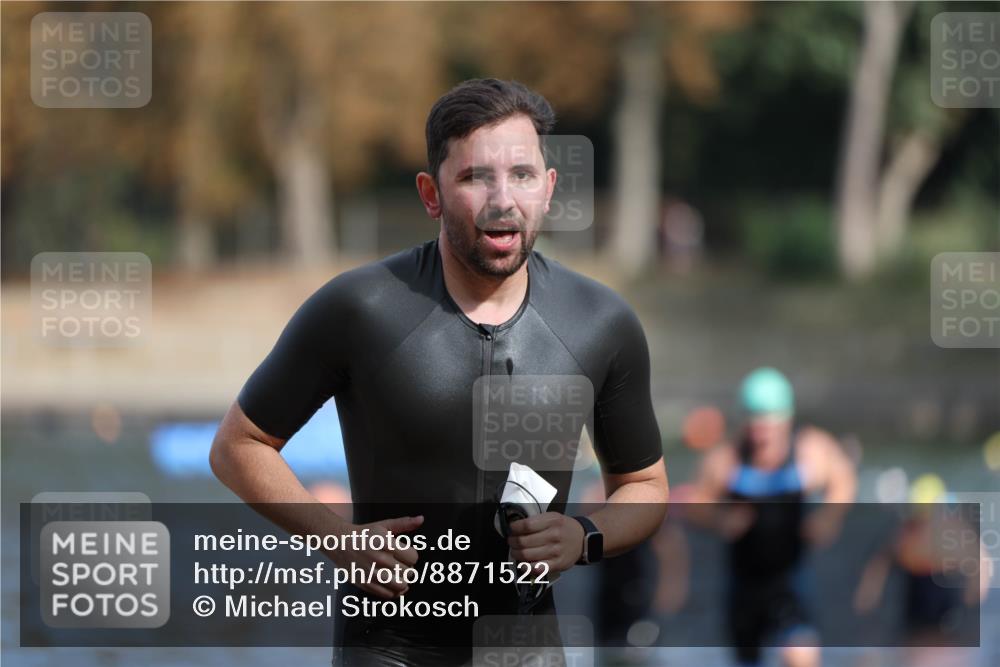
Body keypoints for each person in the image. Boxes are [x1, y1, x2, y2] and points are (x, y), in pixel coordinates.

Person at [210, 78, 669, 666]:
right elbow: (238, 446)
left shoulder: (600, 322)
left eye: (523, 175)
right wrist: (338, 539)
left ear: (549, 189)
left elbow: (646, 486)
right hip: (390, 646)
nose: (503, 200)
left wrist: (585, 536)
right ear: (432, 194)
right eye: (477, 176)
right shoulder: (362, 309)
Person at [690, 367, 857, 667]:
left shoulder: (810, 449)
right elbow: (697, 503)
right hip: (743, 580)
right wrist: (720, 519)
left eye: (768, 416)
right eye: (754, 416)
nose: (761, 426)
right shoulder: (726, 457)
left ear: (786, 417)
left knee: (801, 657)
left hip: (790, 577)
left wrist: (830, 516)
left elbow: (843, 479)